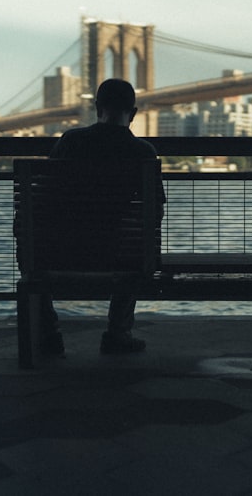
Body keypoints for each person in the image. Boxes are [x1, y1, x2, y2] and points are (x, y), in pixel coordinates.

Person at [40, 78, 165, 356]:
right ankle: (118, 333)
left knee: (31, 239)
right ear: (133, 114)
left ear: (97, 108)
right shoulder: (143, 152)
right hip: (120, 256)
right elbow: (155, 213)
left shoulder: (70, 142)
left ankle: (47, 333)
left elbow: (43, 201)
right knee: (137, 245)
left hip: (61, 254)